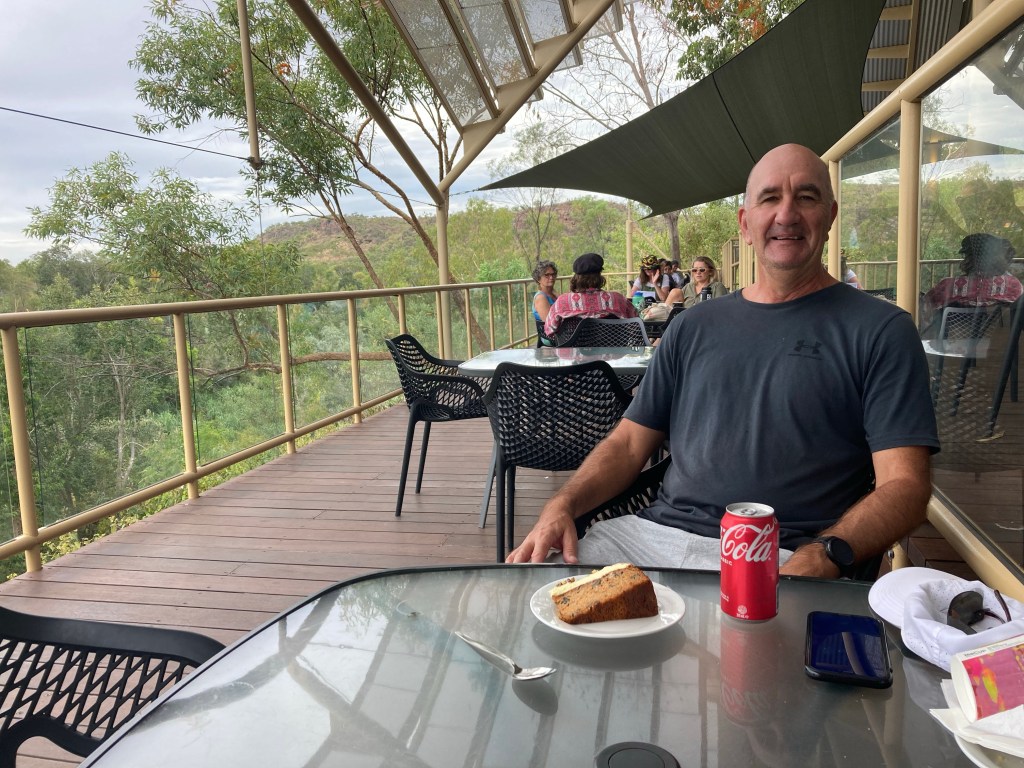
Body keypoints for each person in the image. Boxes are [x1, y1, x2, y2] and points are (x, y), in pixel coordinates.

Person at [510, 143, 939, 579]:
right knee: (533, 589)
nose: (786, 214)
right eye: (770, 198)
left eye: (806, 197)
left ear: (829, 217)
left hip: (785, 554)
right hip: (653, 538)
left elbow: (905, 486)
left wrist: (824, 554)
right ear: (746, 223)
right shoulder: (692, 327)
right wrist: (561, 503)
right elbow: (627, 445)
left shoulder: (880, 330)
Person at [544, 252, 638, 337]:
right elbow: (636, 323)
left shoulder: (562, 302)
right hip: (612, 349)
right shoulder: (617, 299)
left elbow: (549, 329)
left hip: (573, 350)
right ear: (600, 275)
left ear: (576, 277)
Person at [924, 233, 1021, 312]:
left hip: (953, 330)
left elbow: (924, 306)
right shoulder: (1013, 285)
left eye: (966, 255)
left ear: (969, 259)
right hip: (995, 330)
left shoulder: (947, 286)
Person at [531, 260, 559, 324]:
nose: (551, 277)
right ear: (538, 279)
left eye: (553, 274)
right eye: (547, 275)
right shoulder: (540, 297)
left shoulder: (554, 294)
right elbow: (550, 323)